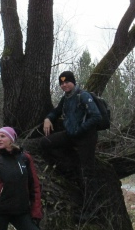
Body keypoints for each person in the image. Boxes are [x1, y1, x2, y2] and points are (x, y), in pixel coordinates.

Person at [41, 71, 102, 216]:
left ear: (73, 82)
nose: (64, 85)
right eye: (61, 83)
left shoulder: (83, 95)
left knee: (87, 173)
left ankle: (92, 210)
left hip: (86, 138)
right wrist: (48, 118)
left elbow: (96, 116)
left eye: (67, 82)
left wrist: (81, 129)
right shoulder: (66, 98)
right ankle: (67, 168)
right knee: (45, 143)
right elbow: (56, 111)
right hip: (70, 135)